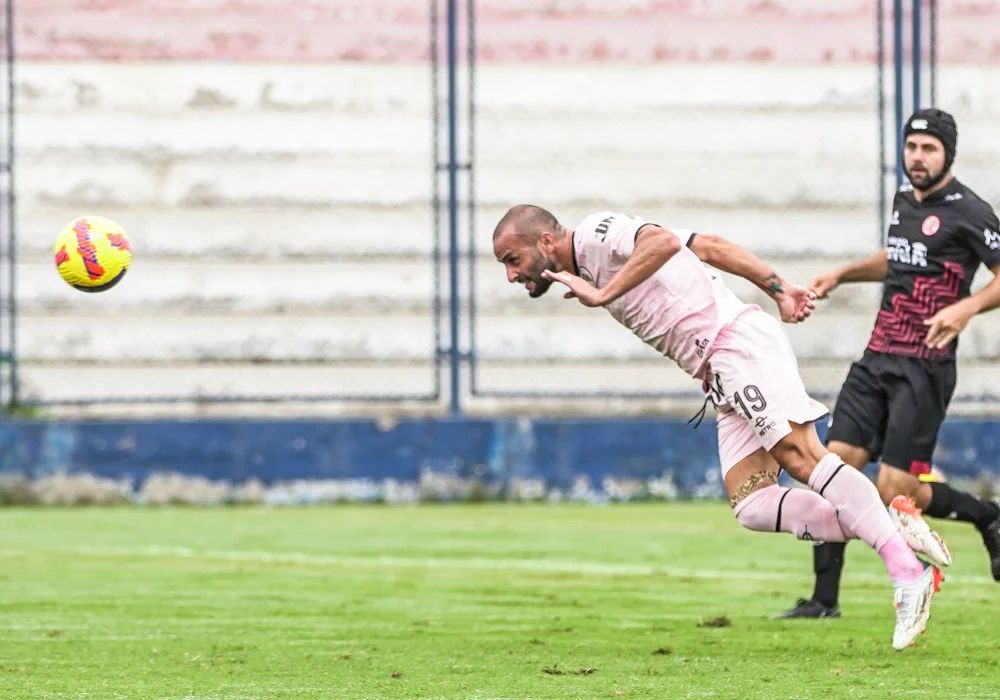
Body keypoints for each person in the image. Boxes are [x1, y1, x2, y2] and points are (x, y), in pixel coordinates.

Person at [493, 204, 944, 650]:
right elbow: (706, 246)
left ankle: (907, 573)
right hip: (718, 371)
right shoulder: (592, 264)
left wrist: (603, 293)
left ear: (546, 241)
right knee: (752, 503)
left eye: (512, 260)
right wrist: (777, 287)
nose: (511, 275)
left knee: (800, 456)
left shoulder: (594, 232)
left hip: (735, 345)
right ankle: (889, 524)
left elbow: (663, 241)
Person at [775, 108, 1000, 619]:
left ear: (948, 154)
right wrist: (842, 274)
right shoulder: (903, 201)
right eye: (911, 147)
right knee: (833, 468)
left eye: (928, 149)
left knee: (895, 490)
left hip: (925, 365)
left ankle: (987, 515)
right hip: (878, 357)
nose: (917, 158)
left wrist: (965, 308)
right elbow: (897, 256)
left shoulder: (972, 212)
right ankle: (823, 601)